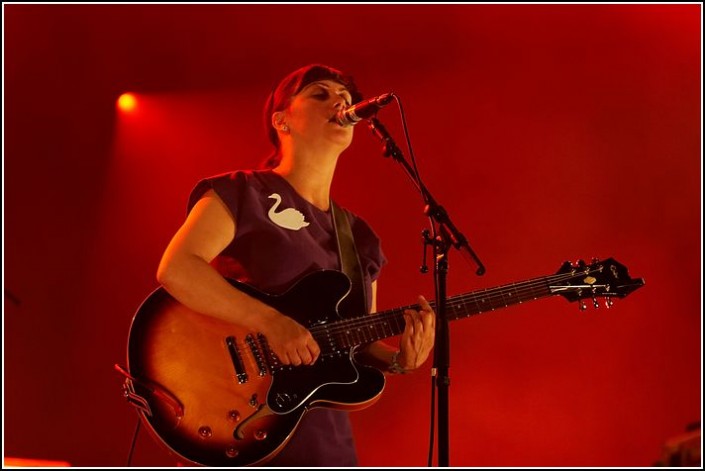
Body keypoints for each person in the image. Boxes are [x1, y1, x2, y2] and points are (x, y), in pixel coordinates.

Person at [156, 63, 436, 466]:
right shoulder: (242, 191)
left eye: (346, 97)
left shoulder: (358, 236)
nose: (341, 102)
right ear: (282, 120)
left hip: (322, 439)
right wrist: (272, 323)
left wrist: (399, 360)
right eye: (320, 93)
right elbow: (177, 269)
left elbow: (356, 338)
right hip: (237, 412)